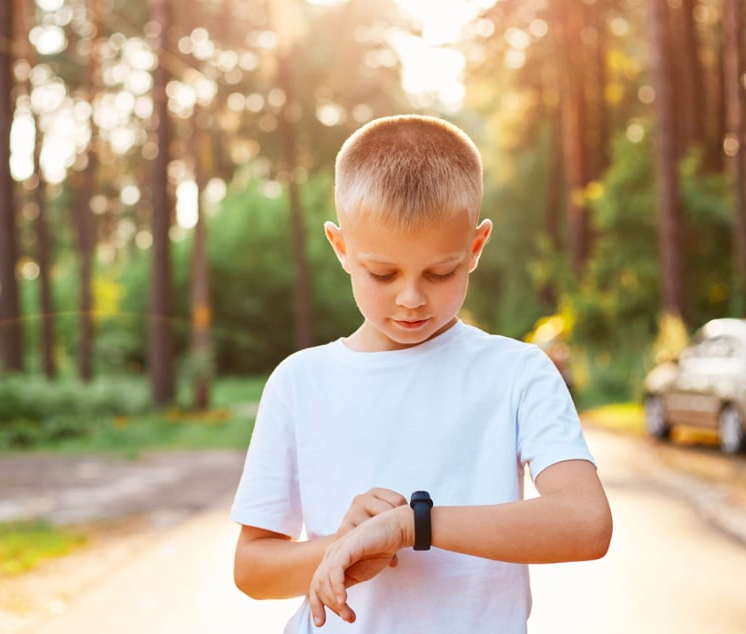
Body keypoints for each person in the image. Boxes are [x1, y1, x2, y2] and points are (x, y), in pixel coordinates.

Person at [230, 114, 612, 633]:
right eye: (383, 273)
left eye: (440, 272)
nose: (411, 298)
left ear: (475, 247)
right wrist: (346, 548)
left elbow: (587, 523)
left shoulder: (517, 373)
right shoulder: (299, 382)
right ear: (341, 248)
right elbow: (252, 569)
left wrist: (414, 526)